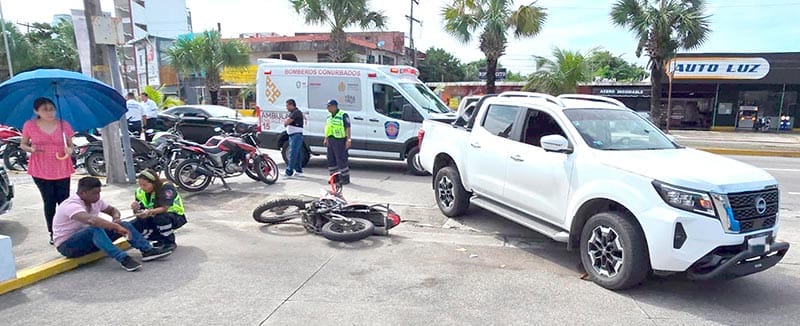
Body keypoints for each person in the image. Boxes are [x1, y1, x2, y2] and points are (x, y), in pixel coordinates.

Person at [53, 177, 173, 272]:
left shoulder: (95, 201)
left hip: (90, 242)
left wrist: (116, 219)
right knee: (94, 228)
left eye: (99, 193)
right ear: (83, 193)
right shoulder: (71, 205)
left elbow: (113, 210)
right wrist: (115, 227)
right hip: (68, 246)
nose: (98, 196)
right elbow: (91, 220)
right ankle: (123, 259)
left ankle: (147, 250)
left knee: (123, 224)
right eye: (95, 193)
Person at [20, 97, 75, 245]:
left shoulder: (63, 124)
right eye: (45, 110)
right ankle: (53, 232)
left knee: (64, 200)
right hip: (40, 167)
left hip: (61, 166)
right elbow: (23, 144)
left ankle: (67, 230)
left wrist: (69, 151)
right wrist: (31, 149)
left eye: (51, 109)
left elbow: (71, 145)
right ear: (36, 111)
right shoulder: (30, 125)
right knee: (49, 200)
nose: (49, 112)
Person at [131, 169, 187, 251]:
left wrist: (149, 212)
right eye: (140, 185)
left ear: (153, 182)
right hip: (153, 216)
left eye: (145, 185)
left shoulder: (166, 187)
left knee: (160, 218)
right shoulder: (139, 192)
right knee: (135, 224)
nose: (142, 188)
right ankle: (160, 239)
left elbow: (165, 208)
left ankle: (169, 242)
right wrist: (136, 209)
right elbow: (140, 212)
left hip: (174, 216)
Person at [322, 99, 351, 184]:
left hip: (340, 140)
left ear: (334, 106)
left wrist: (348, 139)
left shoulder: (343, 115)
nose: (327, 108)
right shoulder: (329, 116)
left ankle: (345, 178)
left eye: (329, 106)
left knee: (341, 159)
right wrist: (326, 138)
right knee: (331, 159)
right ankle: (334, 178)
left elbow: (348, 127)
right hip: (331, 139)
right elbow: (328, 128)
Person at [284, 99, 304, 177]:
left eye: (287, 106)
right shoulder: (292, 112)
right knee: (297, 154)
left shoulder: (296, 112)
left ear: (291, 105)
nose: (286, 108)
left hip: (296, 135)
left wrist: (286, 122)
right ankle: (299, 171)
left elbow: (287, 122)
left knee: (293, 153)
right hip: (293, 135)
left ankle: (289, 172)